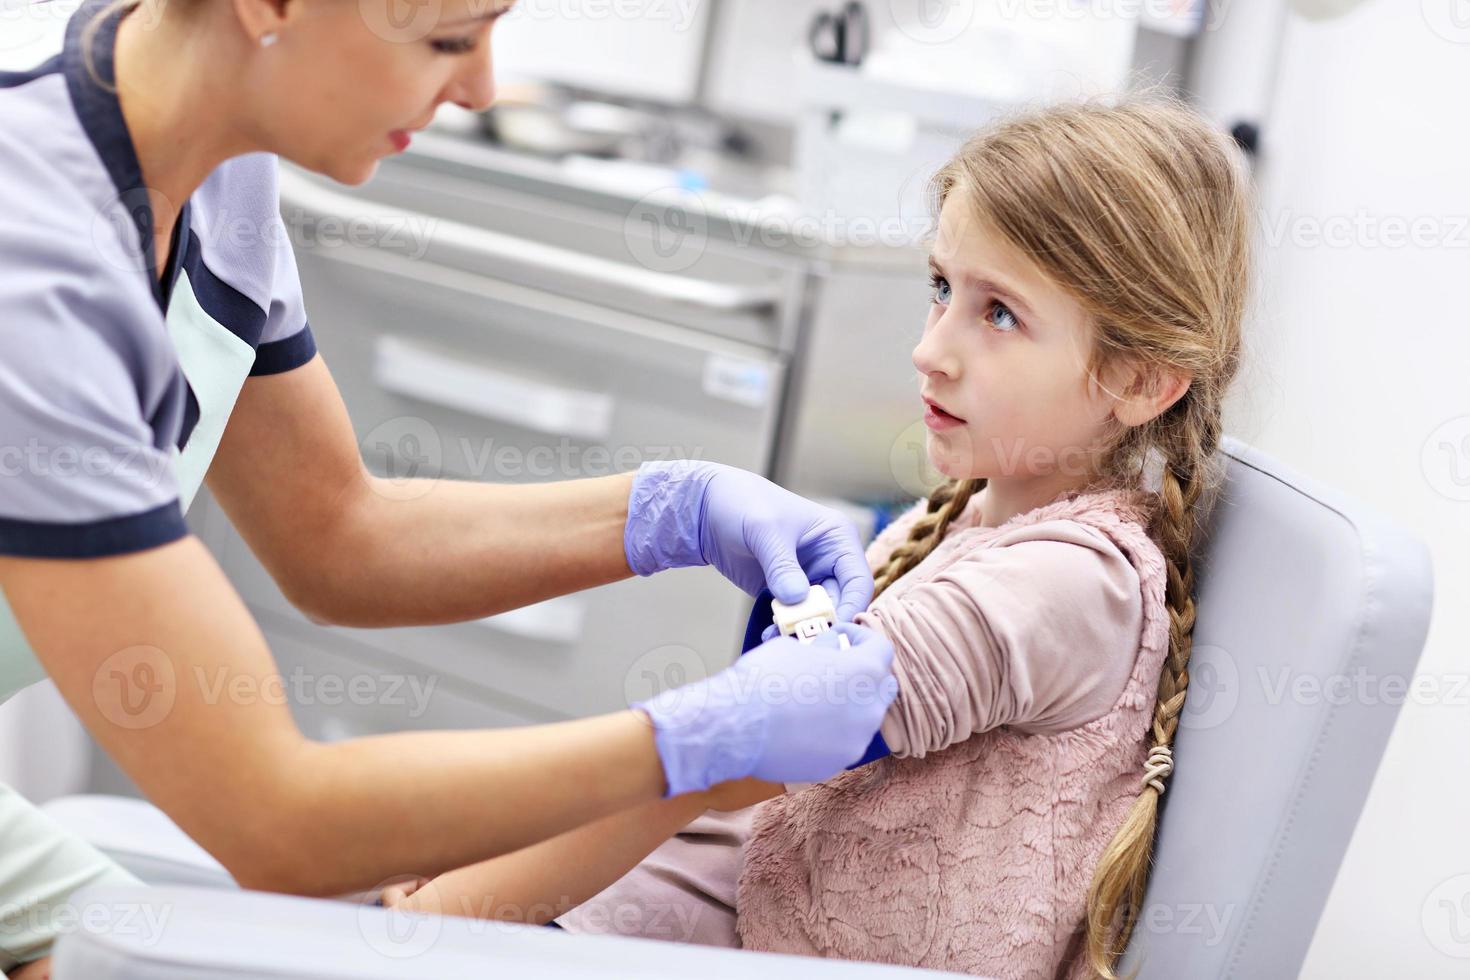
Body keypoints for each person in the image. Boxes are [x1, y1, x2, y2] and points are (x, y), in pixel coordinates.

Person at [0, 1, 897, 974]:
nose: (480, 89)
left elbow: (338, 535)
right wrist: (700, 741)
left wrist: (665, 509)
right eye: (449, 40)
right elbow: (278, 820)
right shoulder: (33, 264)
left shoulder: (225, 184)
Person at [383, 95, 1256, 980]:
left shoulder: (1072, 587)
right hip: (734, 905)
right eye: (942, 288)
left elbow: (725, 757)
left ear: (1140, 380)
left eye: (1000, 315)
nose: (931, 350)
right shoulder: (963, 515)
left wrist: (452, 915)